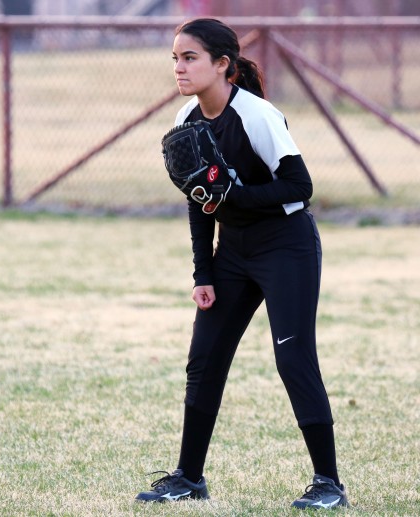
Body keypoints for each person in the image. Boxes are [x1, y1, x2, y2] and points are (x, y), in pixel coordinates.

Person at [134, 18, 349, 510]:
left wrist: (237, 194)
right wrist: (203, 272)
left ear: (222, 65)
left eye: (190, 58)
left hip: (285, 247)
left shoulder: (257, 115)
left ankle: (328, 484)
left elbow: (300, 187)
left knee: (293, 359)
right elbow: (198, 201)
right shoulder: (186, 120)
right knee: (203, 361)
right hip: (232, 253)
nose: (180, 68)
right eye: (175, 59)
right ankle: (189, 477)